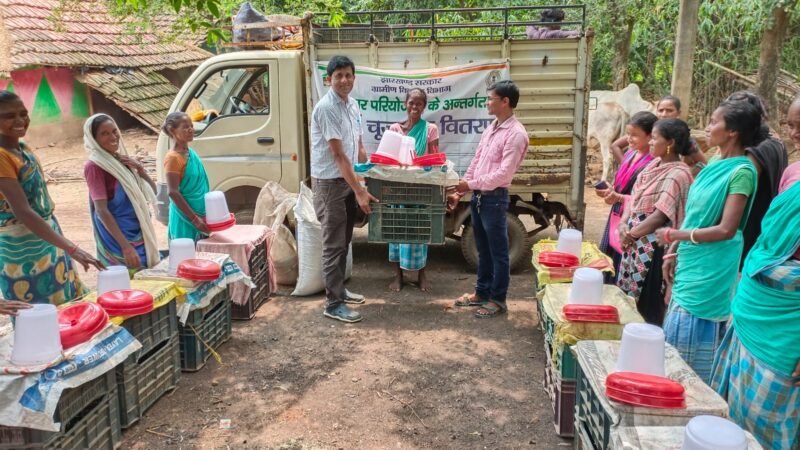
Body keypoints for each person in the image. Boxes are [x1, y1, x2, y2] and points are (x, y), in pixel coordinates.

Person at [710, 98, 800, 450]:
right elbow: (770, 242)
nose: (794, 135)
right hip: (751, 311)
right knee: (736, 418)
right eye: (792, 126)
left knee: (773, 426)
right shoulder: (793, 173)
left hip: (786, 329)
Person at [655, 100, 761, 384]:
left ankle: (692, 393)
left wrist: (676, 236)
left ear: (733, 132)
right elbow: (694, 215)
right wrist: (673, 252)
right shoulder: (714, 163)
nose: (708, 127)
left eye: (714, 122)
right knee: (676, 327)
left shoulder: (743, 173)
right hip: (691, 257)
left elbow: (727, 229)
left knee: (692, 333)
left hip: (712, 266)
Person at [0, 90, 103, 308]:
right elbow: (23, 211)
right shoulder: (2, 156)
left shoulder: (22, 148)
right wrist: (72, 248)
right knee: (38, 312)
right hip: (21, 248)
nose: (20, 120)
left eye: (23, 113)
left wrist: (62, 245)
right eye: (9, 116)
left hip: (47, 237)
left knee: (65, 303)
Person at [449, 80, 528, 318]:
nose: (487, 102)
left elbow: (504, 174)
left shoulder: (516, 134)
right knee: (483, 250)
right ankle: (481, 293)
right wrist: (460, 192)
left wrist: (469, 185)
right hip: (480, 198)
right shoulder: (492, 128)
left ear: (505, 101)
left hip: (495, 200)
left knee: (498, 253)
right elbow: (477, 162)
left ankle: (498, 299)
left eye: (491, 98)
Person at [310, 55, 376, 323]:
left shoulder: (353, 106)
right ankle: (333, 303)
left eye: (348, 74)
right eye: (338, 75)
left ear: (354, 77)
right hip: (330, 184)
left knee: (344, 240)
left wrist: (365, 177)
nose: (344, 80)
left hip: (348, 180)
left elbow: (357, 145)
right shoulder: (327, 108)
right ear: (329, 79)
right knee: (333, 244)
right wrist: (359, 191)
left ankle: (340, 290)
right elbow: (338, 155)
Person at [616, 118, 693, 325]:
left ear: (670, 143)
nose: (650, 142)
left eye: (655, 138)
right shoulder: (653, 165)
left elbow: (660, 216)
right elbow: (633, 199)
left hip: (652, 249)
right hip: (634, 241)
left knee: (647, 306)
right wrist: (624, 225)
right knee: (628, 299)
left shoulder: (678, 174)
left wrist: (631, 234)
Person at [84, 114, 160, 271]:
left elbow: (153, 192)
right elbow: (101, 210)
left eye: (114, 131)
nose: (113, 137)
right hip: (117, 240)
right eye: (104, 134)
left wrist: (139, 169)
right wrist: (125, 247)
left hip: (138, 232)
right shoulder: (95, 167)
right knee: (126, 286)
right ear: (94, 139)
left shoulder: (120, 161)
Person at [724, 91, 788, 264]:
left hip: (745, 223)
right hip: (763, 220)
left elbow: (739, 185)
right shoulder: (776, 141)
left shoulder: (757, 148)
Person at [386, 88, 440, 292]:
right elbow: (388, 158)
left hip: (420, 190)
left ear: (424, 106)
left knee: (419, 231)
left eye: (419, 103)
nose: (414, 107)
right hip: (398, 189)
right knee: (396, 232)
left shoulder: (430, 129)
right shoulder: (394, 129)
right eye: (411, 102)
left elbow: (435, 159)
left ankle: (421, 276)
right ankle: (398, 277)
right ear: (405, 104)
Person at [597, 111, 657, 280]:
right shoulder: (630, 153)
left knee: (623, 260)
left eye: (635, 135)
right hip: (618, 212)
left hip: (634, 218)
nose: (629, 139)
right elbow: (622, 185)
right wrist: (611, 190)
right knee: (611, 257)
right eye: (628, 134)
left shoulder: (653, 163)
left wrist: (618, 196)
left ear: (651, 136)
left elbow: (644, 198)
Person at [611, 96, 707, 176]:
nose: (664, 114)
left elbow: (703, 165)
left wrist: (679, 173)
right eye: (661, 110)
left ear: (679, 113)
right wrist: (629, 168)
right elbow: (616, 145)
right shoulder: (649, 126)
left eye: (669, 110)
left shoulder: (681, 135)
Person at [163, 111, 211, 242]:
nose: (191, 129)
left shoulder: (191, 153)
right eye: (185, 127)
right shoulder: (173, 158)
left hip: (200, 214)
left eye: (191, 126)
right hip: (185, 217)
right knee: (186, 257)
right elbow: (173, 192)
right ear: (172, 130)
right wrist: (195, 219)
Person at [526, 8, 592, 39]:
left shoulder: (534, 33)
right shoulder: (554, 33)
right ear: (553, 23)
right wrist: (584, 33)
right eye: (559, 22)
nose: (561, 24)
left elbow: (529, 25)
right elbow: (570, 33)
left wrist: (537, 26)